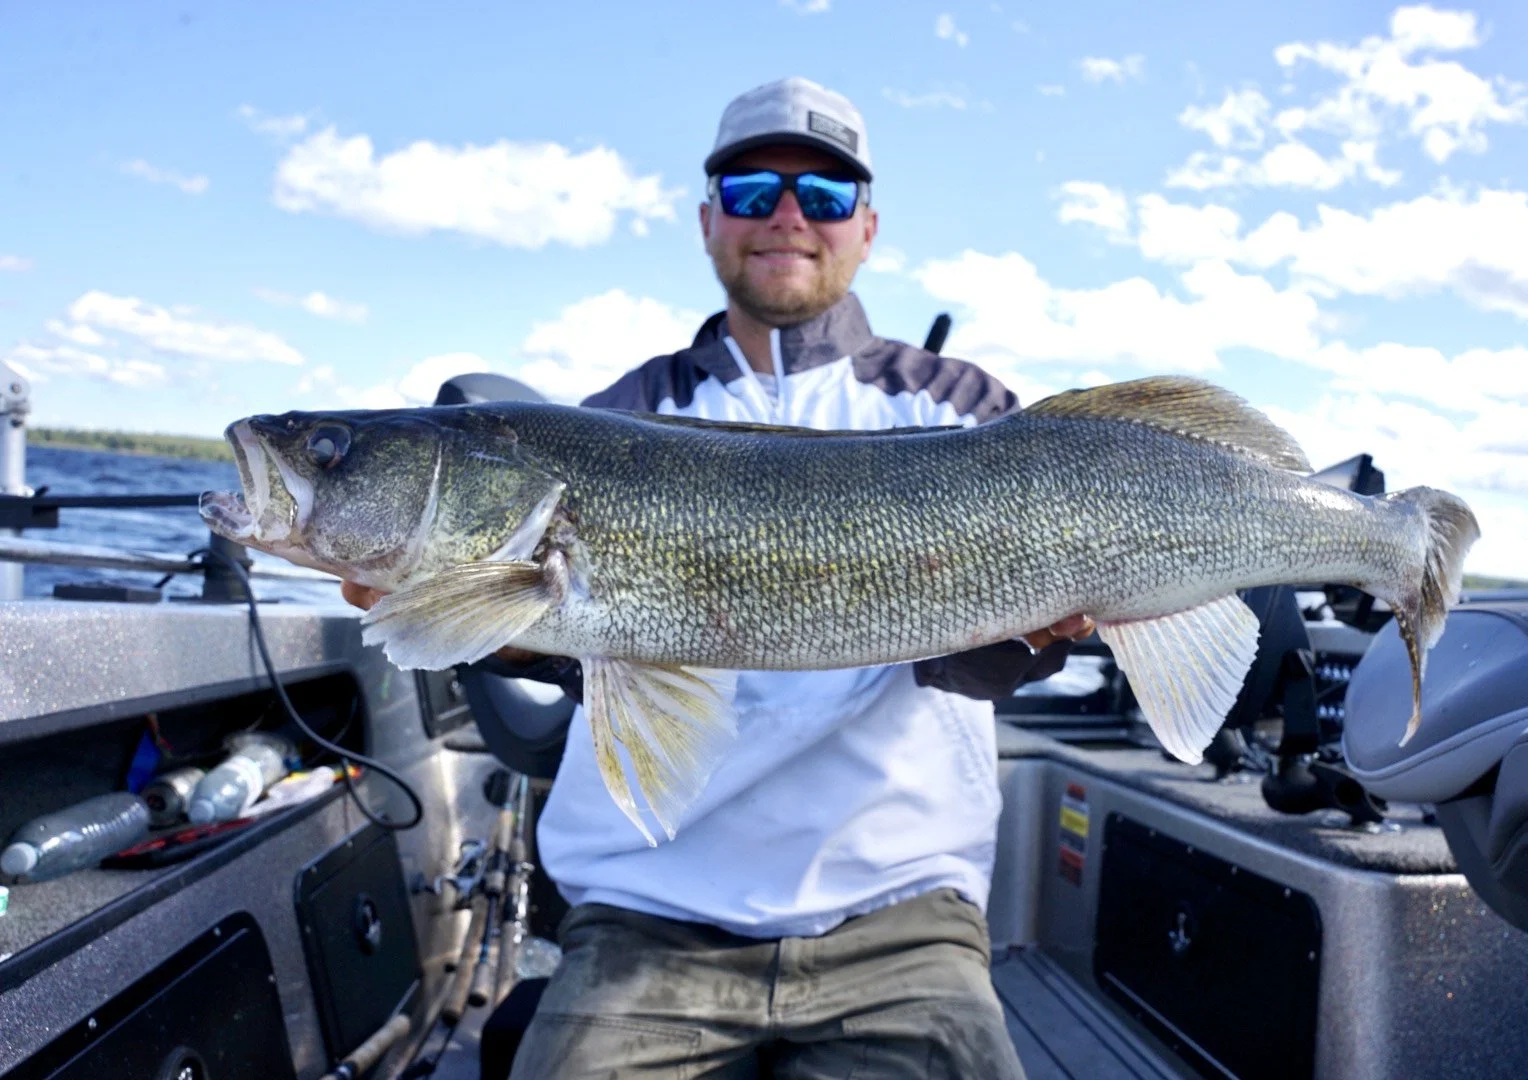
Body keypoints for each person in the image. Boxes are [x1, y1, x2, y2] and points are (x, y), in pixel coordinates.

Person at [344, 76, 1094, 1078]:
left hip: (899, 918)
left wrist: (1043, 627)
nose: (788, 216)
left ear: (865, 228)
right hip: (648, 917)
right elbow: (590, 651)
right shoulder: (611, 422)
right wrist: (490, 615)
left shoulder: (962, 416)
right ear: (709, 220)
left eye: (823, 197)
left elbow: (994, 664)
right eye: (753, 191)